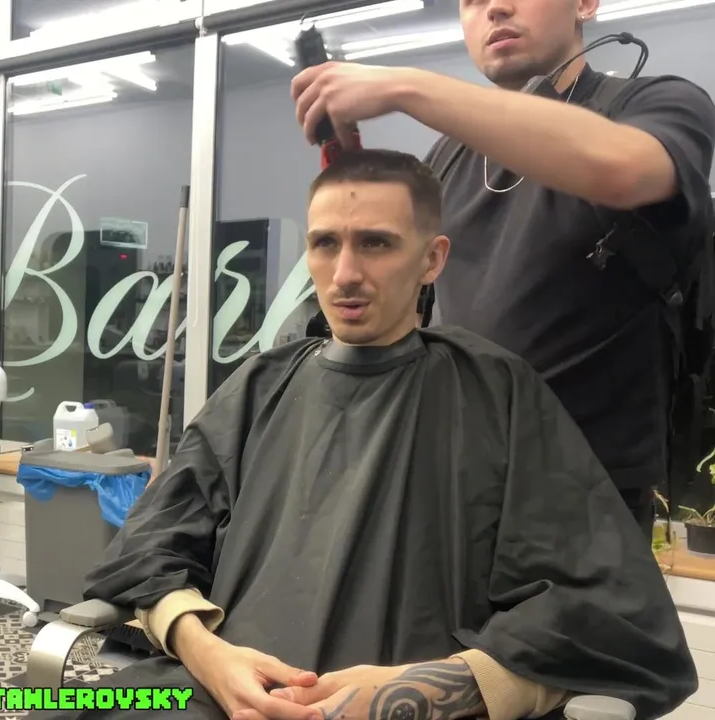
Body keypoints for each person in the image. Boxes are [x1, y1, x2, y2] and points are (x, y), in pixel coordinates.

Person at [42, 150, 695, 720]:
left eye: (376, 243)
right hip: (220, 693)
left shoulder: (495, 393)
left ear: (432, 258)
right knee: (42, 701)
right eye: (326, 243)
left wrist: (419, 691)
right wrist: (207, 654)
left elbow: (607, 615)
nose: (345, 273)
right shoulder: (260, 386)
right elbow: (149, 549)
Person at [289, 1, 715, 537]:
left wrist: (406, 87)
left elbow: (625, 169)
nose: (494, 7)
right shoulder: (449, 159)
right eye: (470, 0)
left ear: (585, 4)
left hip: (587, 507)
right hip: (456, 487)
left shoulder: (658, 104)